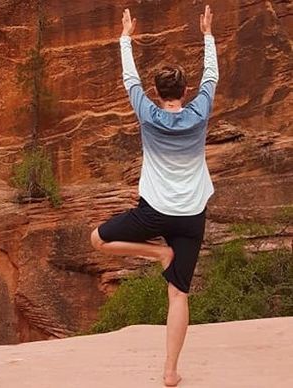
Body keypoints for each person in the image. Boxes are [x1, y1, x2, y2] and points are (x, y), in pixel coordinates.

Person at [90, 5, 218, 387]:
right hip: (191, 215)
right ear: (184, 91)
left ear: (158, 93)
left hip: (154, 213)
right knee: (178, 294)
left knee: (97, 239)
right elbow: (212, 76)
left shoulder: (146, 113)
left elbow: (129, 80)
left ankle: (157, 253)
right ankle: (170, 371)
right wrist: (208, 35)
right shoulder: (200, 112)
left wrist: (125, 37)